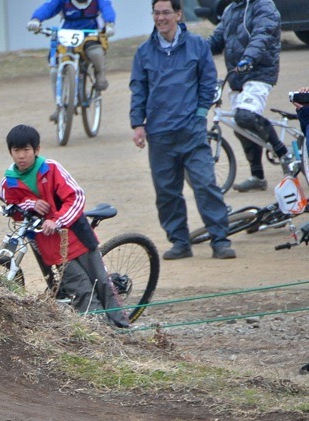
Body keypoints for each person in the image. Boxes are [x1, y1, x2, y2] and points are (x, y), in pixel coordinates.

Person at [130, 0, 237, 260]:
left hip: (191, 131)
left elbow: (208, 82)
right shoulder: (144, 52)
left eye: (166, 12)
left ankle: (220, 241)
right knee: (167, 192)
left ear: (179, 14)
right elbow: (138, 90)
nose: (161, 18)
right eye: (156, 13)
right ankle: (180, 243)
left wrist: (200, 114)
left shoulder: (198, 46)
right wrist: (137, 124)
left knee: (205, 185)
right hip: (159, 134)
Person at [0, 124, 131, 328]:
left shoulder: (51, 168)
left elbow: (76, 196)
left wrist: (57, 220)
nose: (21, 156)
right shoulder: (10, 181)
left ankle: (124, 328)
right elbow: (12, 205)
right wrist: (31, 203)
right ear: (10, 152)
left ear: (37, 150)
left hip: (78, 238)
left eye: (26, 150)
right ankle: (104, 335)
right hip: (54, 248)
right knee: (82, 291)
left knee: (103, 284)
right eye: (16, 151)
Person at [207, 0, 292, 192]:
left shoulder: (264, 6)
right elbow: (216, 40)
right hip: (237, 76)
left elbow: (262, 35)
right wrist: (192, 51)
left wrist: (250, 58)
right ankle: (257, 177)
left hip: (259, 72)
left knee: (244, 115)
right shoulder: (230, 10)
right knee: (240, 126)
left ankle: (284, 154)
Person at [27, 0, 116, 121]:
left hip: (90, 34)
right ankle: (59, 105)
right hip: (66, 35)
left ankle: (100, 73)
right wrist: (36, 19)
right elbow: (49, 7)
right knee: (55, 69)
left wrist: (109, 23)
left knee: (95, 50)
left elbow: (107, 8)